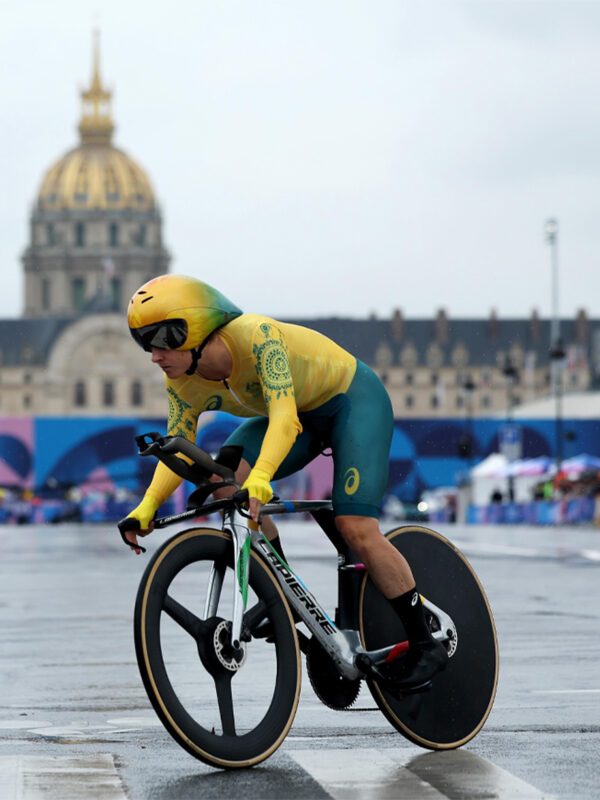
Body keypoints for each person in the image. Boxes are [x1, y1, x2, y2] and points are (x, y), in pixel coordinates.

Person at [123, 274, 447, 691]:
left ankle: (425, 642)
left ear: (195, 328)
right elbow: (180, 448)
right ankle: (285, 596)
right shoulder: (181, 381)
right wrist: (146, 506)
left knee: (355, 527)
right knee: (223, 482)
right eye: (144, 343)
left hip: (352, 403)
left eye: (160, 341)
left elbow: (284, 419)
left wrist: (261, 476)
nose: (154, 356)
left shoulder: (258, 337)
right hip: (303, 416)